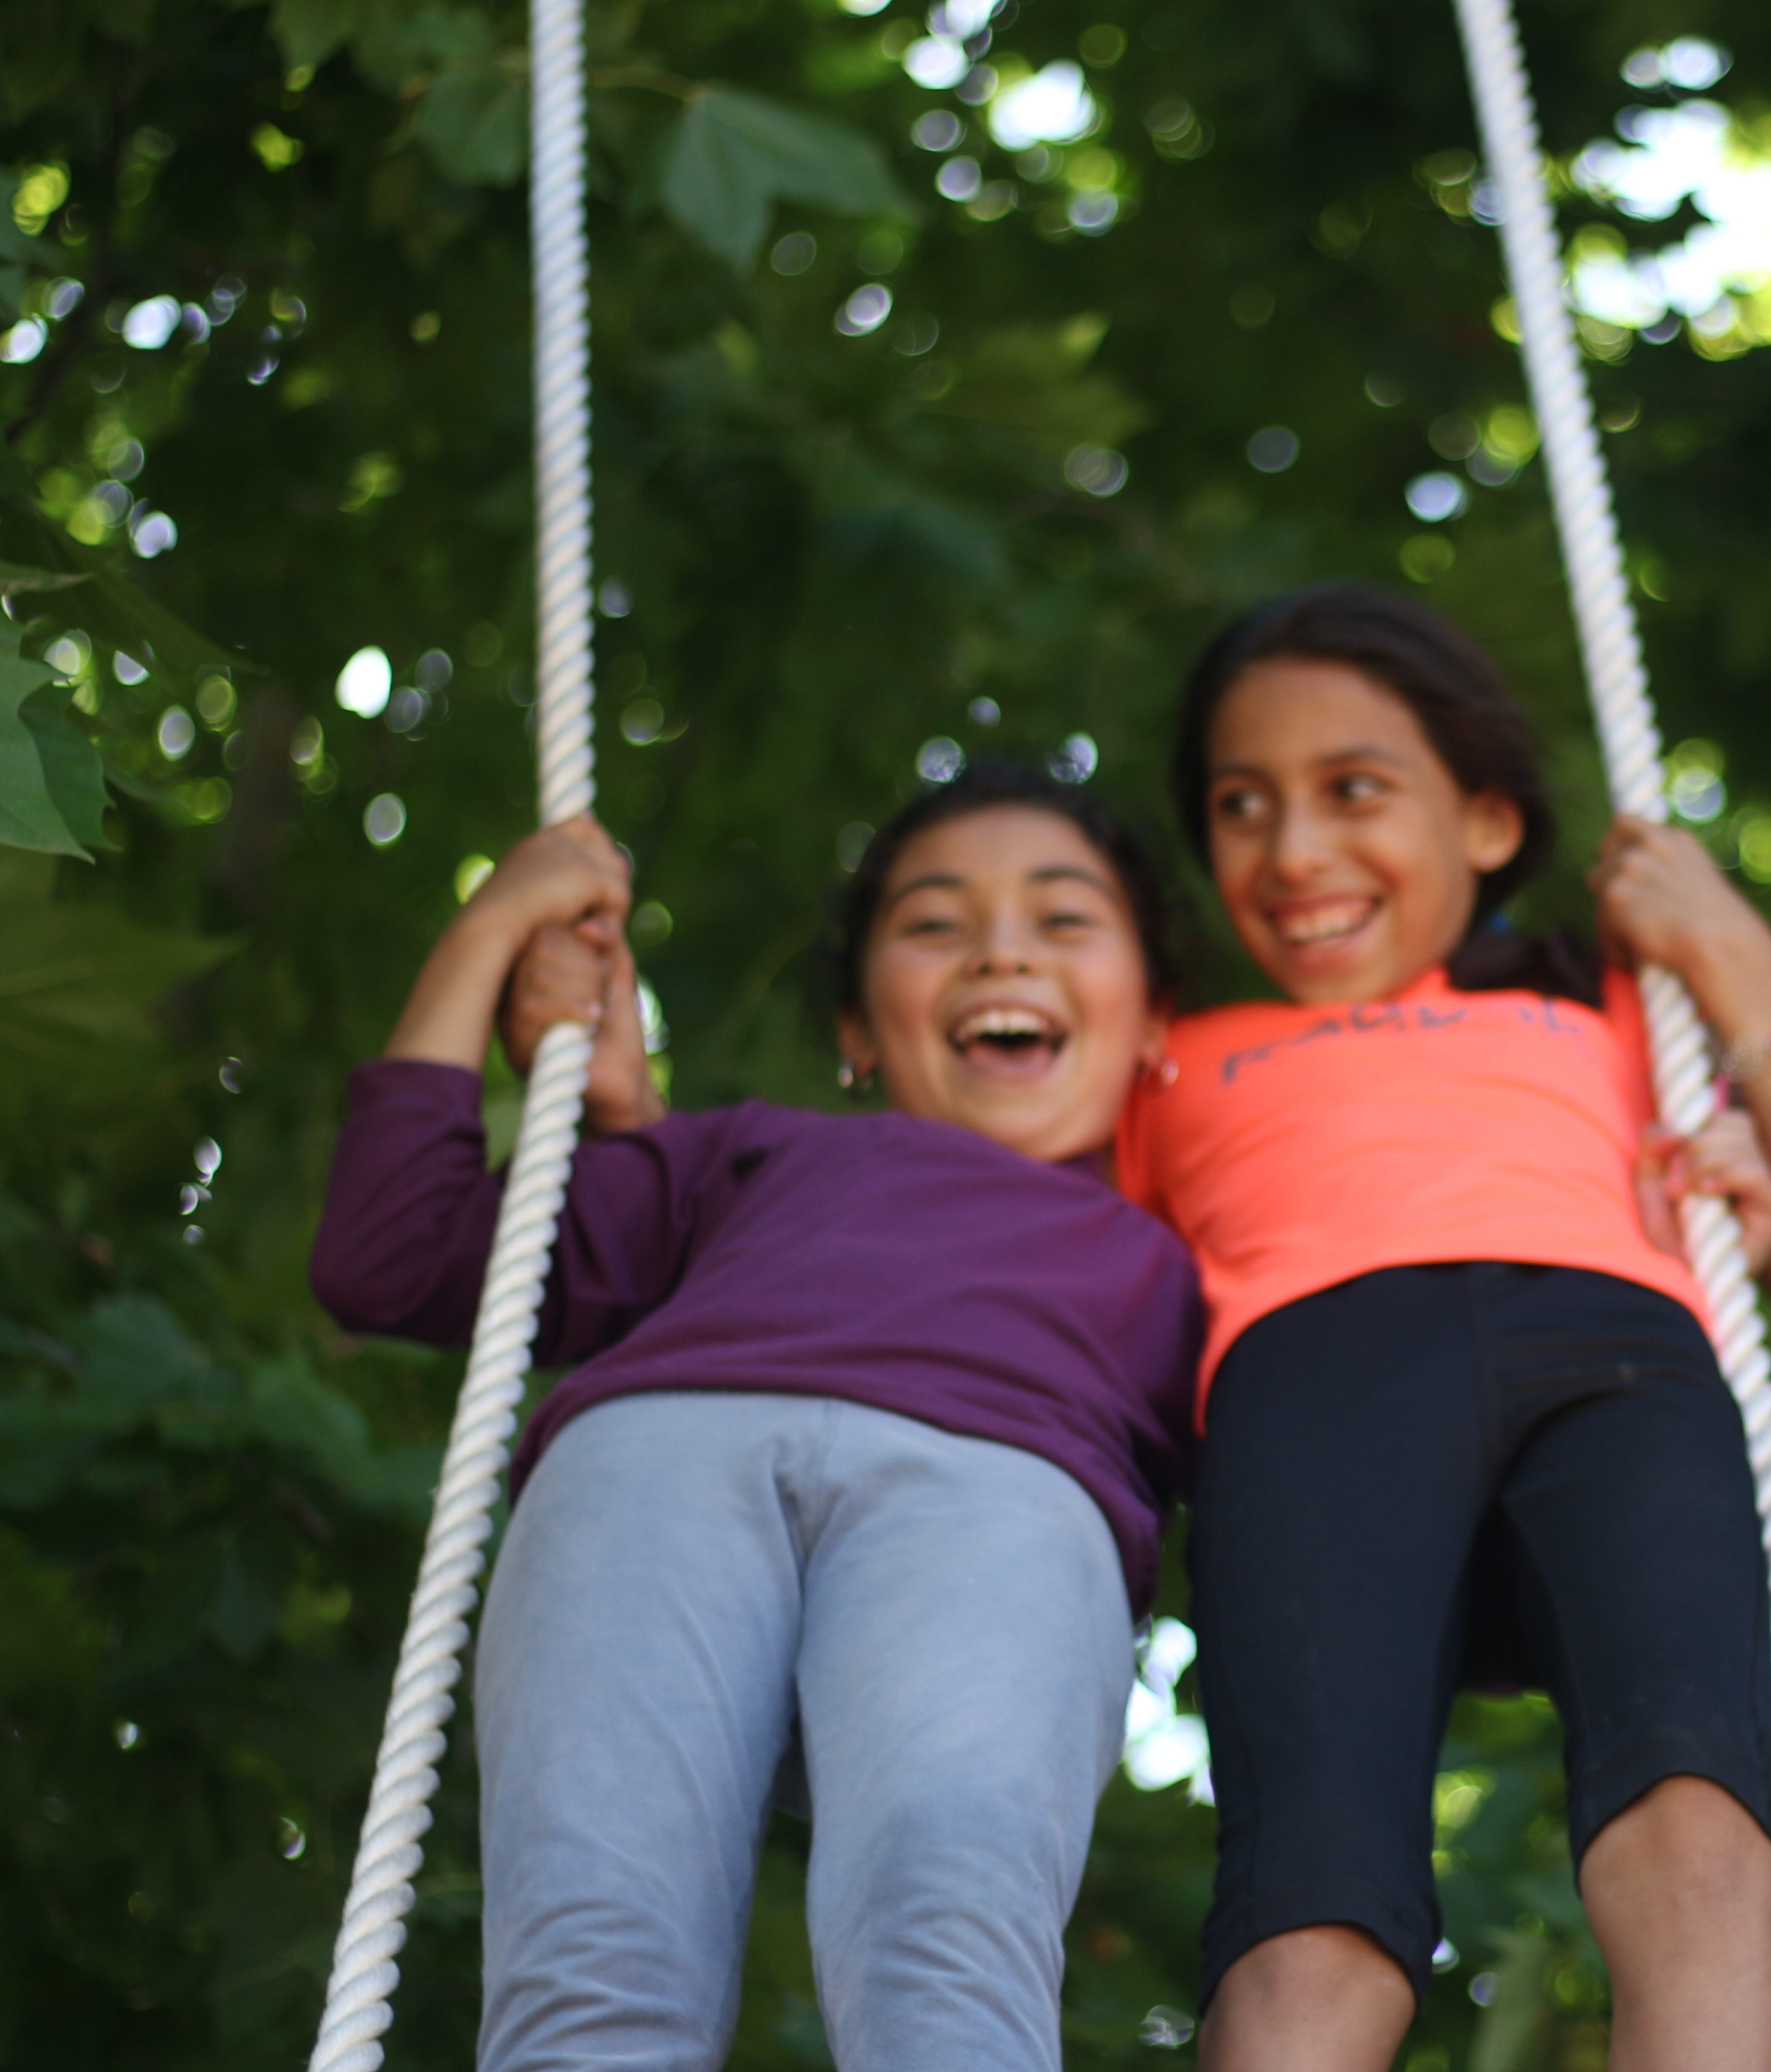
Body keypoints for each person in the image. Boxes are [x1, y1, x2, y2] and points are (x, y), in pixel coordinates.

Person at [1115, 585, 1771, 2072]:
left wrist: (1732, 954)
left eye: (1353, 790)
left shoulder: (1625, 1015)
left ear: (1489, 822)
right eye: (1243, 807)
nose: (1295, 851)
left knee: (1699, 1839)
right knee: (1312, 1922)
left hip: (1615, 1370)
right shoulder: (1167, 1065)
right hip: (1317, 1402)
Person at [311, 763, 1202, 2072]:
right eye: (935, 924)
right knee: (590, 1967)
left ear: (1153, 1019)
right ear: (857, 1026)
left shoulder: (1195, 1254)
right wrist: (493, 930)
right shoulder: (735, 1155)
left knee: (949, 1946)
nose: (1001, 949)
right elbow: (390, 1253)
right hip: (656, 1467)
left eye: (1064, 920)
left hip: (1001, 1500)